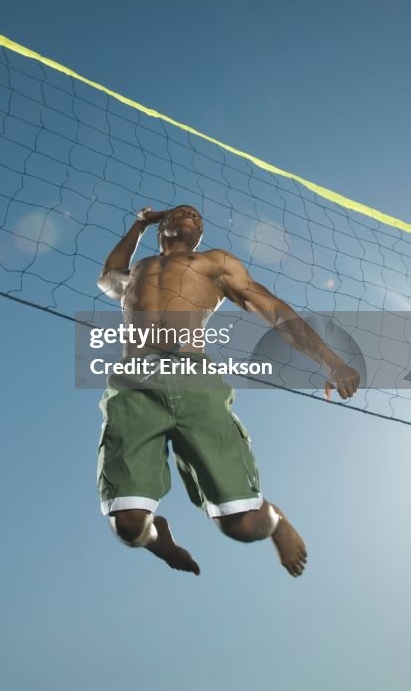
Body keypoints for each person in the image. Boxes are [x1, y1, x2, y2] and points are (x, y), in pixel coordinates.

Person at [96, 205, 360, 577]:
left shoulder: (214, 263)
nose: (192, 214)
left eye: (198, 218)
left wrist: (331, 361)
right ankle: (159, 541)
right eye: (182, 211)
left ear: (200, 236)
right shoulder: (137, 270)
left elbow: (274, 309)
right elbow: (107, 277)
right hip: (133, 383)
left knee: (244, 527)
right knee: (127, 525)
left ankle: (275, 520)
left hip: (194, 381)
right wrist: (139, 223)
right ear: (162, 228)